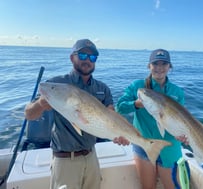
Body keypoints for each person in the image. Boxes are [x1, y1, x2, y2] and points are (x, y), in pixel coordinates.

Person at [24, 39, 129, 189]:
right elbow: (29, 114)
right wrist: (40, 104)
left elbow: (111, 115)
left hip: (92, 157)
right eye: (82, 55)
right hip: (65, 160)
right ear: (72, 57)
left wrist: (118, 134)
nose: (88, 60)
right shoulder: (56, 84)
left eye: (92, 57)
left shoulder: (102, 88)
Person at [116, 49, 186, 189]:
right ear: (149, 66)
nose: (159, 68)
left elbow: (182, 120)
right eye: (155, 64)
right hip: (144, 145)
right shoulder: (137, 86)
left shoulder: (177, 92)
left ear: (169, 67)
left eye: (164, 64)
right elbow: (120, 107)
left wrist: (183, 135)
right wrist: (136, 104)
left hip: (170, 147)